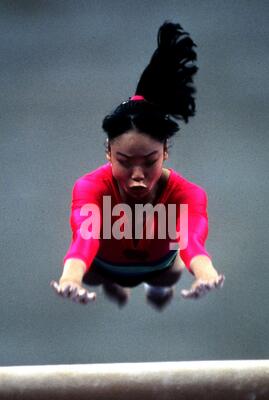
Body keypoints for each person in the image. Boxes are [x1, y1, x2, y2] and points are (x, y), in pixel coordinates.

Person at [50, 21, 225, 309]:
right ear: (108, 152)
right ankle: (114, 285)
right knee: (96, 277)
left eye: (150, 161)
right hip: (102, 268)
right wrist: (70, 278)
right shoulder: (90, 187)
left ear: (165, 151)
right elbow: (84, 237)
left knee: (166, 278)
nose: (138, 176)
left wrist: (207, 274)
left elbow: (192, 240)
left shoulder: (188, 194)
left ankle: (151, 290)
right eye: (124, 161)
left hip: (159, 269)